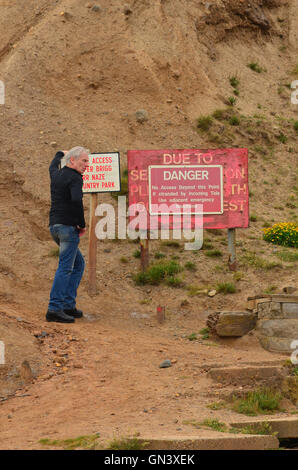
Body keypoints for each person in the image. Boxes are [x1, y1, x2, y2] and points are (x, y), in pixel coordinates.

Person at [46, 146, 90, 323]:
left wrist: (58, 154)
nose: (87, 165)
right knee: (66, 267)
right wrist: (82, 224)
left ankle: (67, 305)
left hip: (54, 227)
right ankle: (54, 309)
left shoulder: (56, 175)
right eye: (84, 161)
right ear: (72, 160)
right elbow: (76, 200)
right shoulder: (75, 178)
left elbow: (51, 167)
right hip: (67, 228)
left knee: (78, 264)